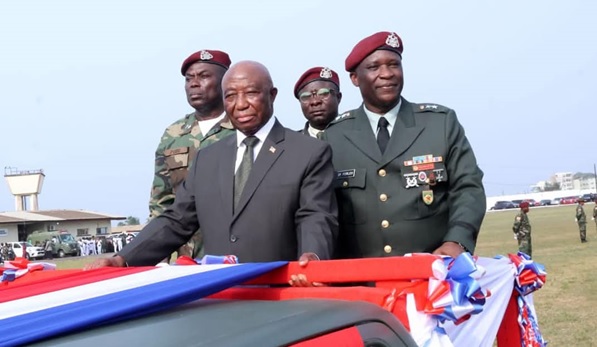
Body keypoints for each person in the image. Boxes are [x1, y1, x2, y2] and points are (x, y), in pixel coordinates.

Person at [85, 60, 338, 270]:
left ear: (271, 95)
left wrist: (313, 257)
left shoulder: (307, 152)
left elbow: (315, 216)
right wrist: (122, 258)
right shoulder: (208, 158)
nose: (240, 105)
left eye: (250, 93)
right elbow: (176, 219)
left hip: (280, 295)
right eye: (231, 96)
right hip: (219, 296)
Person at [322, 31, 486, 259]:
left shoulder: (440, 123)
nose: (387, 74)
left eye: (394, 65)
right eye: (374, 67)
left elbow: (468, 187)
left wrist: (457, 240)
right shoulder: (333, 136)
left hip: (431, 273)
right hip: (362, 278)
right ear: (354, 78)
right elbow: (321, 209)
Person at [150, 49, 236, 260]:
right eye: (189, 79)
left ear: (225, 82)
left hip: (234, 252)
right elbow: (161, 202)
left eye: (204, 76)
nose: (194, 84)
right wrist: (159, 259)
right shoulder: (173, 134)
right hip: (187, 257)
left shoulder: (243, 128)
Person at [293, 67, 342, 138]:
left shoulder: (358, 135)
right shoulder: (291, 144)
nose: (315, 101)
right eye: (306, 96)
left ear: (338, 97)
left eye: (323, 93)